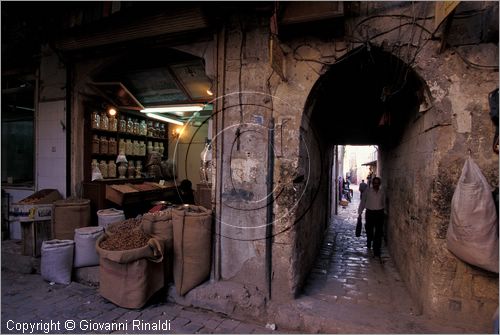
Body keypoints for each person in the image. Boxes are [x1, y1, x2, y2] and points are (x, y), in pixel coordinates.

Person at [358, 176, 386, 257]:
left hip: (379, 213)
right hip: (370, 213)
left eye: (377, 183)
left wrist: (383, 211)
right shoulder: (368, 191)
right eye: (374, 183)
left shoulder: (382, 192)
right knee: (369, 229)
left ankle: (376, 249)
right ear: (372, 183)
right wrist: (360, 212)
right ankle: (369, 240)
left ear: (379, 184)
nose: (376, 184)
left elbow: (383, 202)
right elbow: (363, 202)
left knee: (379, 232)